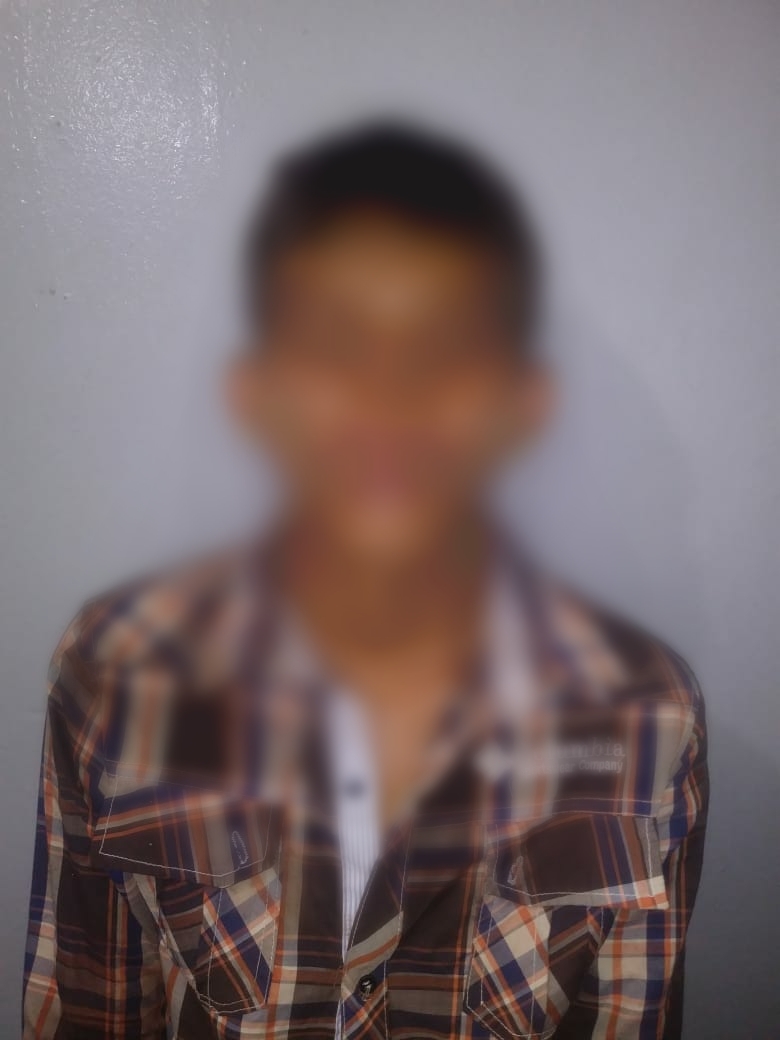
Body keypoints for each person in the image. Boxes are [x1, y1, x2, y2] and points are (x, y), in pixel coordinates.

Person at [22, 122, 708, 1040]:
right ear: (258, 394)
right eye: (333, 341)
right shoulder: (119, 670)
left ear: (521, 403)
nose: (390, 400)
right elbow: (88, 1006)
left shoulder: (643, 716)